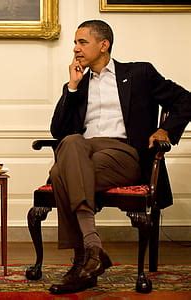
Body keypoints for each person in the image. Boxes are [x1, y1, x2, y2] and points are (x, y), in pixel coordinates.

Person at [47, 20, 191, 294]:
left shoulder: (139, 73)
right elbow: (58, 131)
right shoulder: (81, 83)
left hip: (123, 153)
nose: (75, 49)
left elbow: (186, 100)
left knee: (60, 174)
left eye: (82, 42)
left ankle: (81, 261)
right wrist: (72, 87)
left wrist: (165, 130)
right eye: (75, 43)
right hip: (83, 151)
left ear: (104, 45)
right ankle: (91, 254)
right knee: (73, 142)